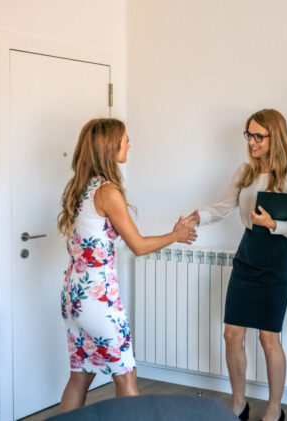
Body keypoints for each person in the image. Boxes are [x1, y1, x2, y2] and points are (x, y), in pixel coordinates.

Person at [57, 118, 197, 412]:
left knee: (80, 376)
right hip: (98, 299)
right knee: (126, 376)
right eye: (125, 140)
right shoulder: (108, 191)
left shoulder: (81, 186)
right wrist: (176, 235)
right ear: (111, 147)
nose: (129, 144)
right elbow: (139, 246)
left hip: (74, 296)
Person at [186, 109, 287, 421]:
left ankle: (274, 409)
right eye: (249, 135)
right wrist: (197, 216)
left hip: (276, 259)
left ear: (275, 138)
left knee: (269, 338)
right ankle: (239, 403)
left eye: (258, 136)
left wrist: (273, 224)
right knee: (232, 334)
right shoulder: (245, 172)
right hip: (247, 256)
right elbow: (223, 207)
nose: (251, 142)